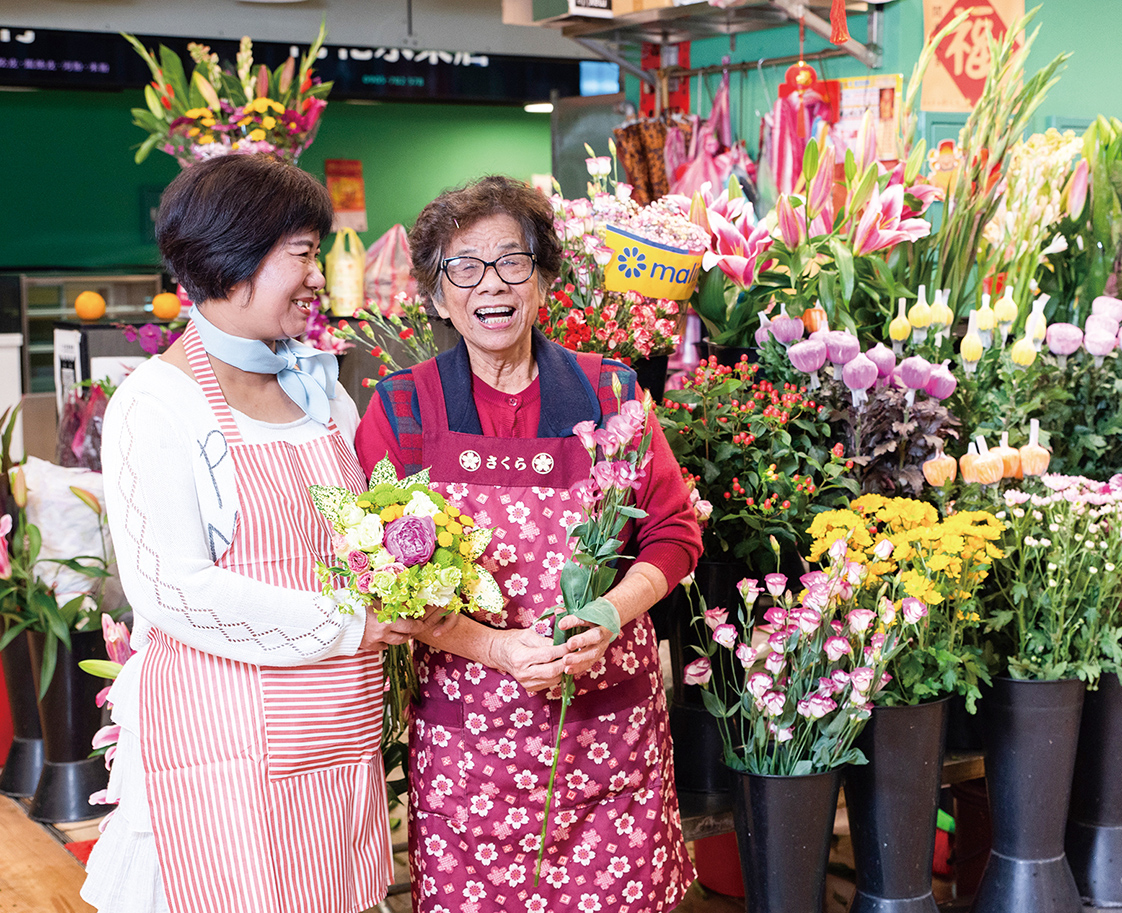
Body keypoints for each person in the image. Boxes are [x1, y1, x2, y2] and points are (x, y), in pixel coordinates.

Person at [82, 153, 433, 913]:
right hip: (225, 746)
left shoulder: (316, 388)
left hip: (334, 735)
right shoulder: (159, 403)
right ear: (231, 257)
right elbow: (175, 589)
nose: (318, 277)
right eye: (303, 254)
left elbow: (373, 527)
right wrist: (352, 621)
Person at [355, 175, 703, 912]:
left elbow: (672, 529)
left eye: (512, 261)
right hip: (469, 755)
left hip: (608, 736)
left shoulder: (609, 392)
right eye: (465, 266)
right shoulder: (403, 408)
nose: (492, 284)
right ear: (436, 291)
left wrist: (610, 613)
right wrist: (499, 650)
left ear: (543, 277)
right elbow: (379, 580)